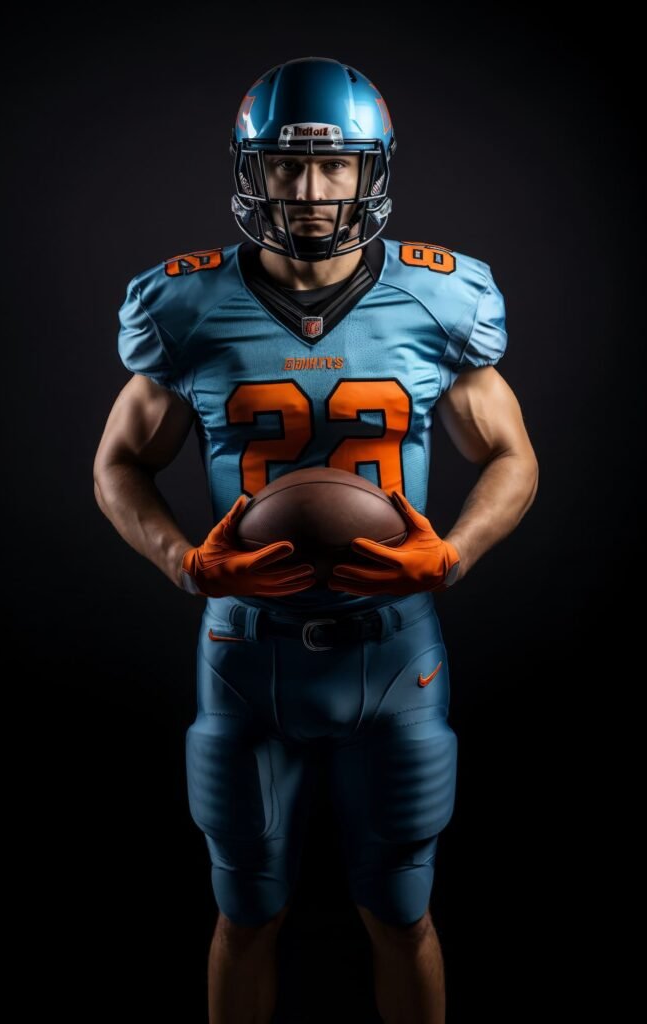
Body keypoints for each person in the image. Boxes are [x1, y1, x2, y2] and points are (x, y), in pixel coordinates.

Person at [93, 56, 538, 1024]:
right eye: (285, 168)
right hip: (243, 652)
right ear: (249, 169)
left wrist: (453, 552)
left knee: (403, 912)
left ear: (371, 169)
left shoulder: (437, 298)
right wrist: (182, 560)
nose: (307, 191)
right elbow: (118, 462)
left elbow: (510, 454)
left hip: (396, 653)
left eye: (333, 167)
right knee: (243, 912)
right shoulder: (188, 304)